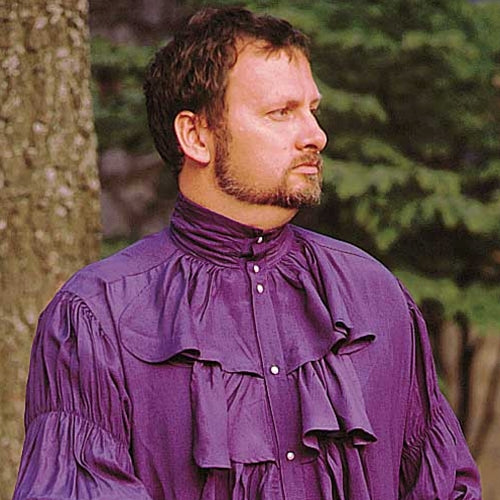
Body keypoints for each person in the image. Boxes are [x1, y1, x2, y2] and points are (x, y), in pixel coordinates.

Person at [13, 6, 480, 500]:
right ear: (196, 136)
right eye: (282, 112)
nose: (315, 135)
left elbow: (443, 487)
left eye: (312, 110)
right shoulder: (96, 318)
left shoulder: (374, 297)